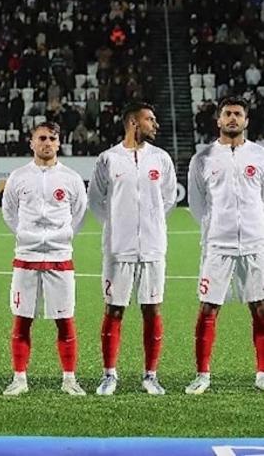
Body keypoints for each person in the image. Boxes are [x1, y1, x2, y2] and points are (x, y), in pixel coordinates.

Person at [88, 103, 177, 396]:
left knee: (152, 309)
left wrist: (151, 224)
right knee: (114, 309)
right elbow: (96, 201)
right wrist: (117, 226)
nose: (156, 124)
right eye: (150, 119)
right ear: (133, 122)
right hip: (118, 249)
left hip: (153, 247)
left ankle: (151, 375)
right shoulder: (108, 159)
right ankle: (109, 375)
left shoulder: (161, 159)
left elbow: (168, 200)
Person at [1, 121, 88, 396]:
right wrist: (27, 236)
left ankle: (69, 379)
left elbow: (79, 214)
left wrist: (59, 238)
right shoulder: (18, 177)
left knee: (65, 320)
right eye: (41, 138)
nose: (47, 143)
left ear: (59, 143)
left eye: (52, 138)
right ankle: (19, 379)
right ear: (32, 142)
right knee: (22, 319)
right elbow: (9, 213)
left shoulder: (71, 178)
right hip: (26, 257)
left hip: (60, 257)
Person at [186, 96, 264, 394]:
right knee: (208, 308)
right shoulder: (203, 158)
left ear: (246, 120)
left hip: (256, 244)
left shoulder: (259, 155)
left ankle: (262, 373)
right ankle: (202, 375)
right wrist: (215, 227)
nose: (233, 118)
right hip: (218, 245)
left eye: (238, 114)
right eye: (228, 113)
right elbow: (197, 203)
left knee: (260, 308)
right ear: (218, 120)